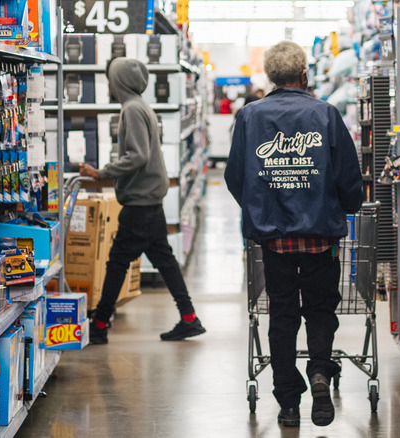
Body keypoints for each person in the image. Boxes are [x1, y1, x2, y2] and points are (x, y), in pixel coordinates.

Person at [224, 41, 363, 428]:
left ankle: (287, 401)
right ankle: (320, 371)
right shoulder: (326, 114)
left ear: (270, 77)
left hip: (273, 241)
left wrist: (260, 207)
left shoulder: (250, 117)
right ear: (305, 74)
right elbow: (347, 177)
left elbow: (235, 176)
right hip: (320, 237)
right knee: (321, 309)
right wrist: (346, 206)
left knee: (282, 315)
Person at [80, 57, 206, 344]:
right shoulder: (140, 106)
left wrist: (101, 173)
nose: (109, 84)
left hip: (140, 204)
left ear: (119, 82)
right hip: (149, 201)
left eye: (111, 78)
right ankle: (189, 319)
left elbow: (137, 156)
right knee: (165, 261)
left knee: (117, 263)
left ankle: (99, 325)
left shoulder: (132, 110)